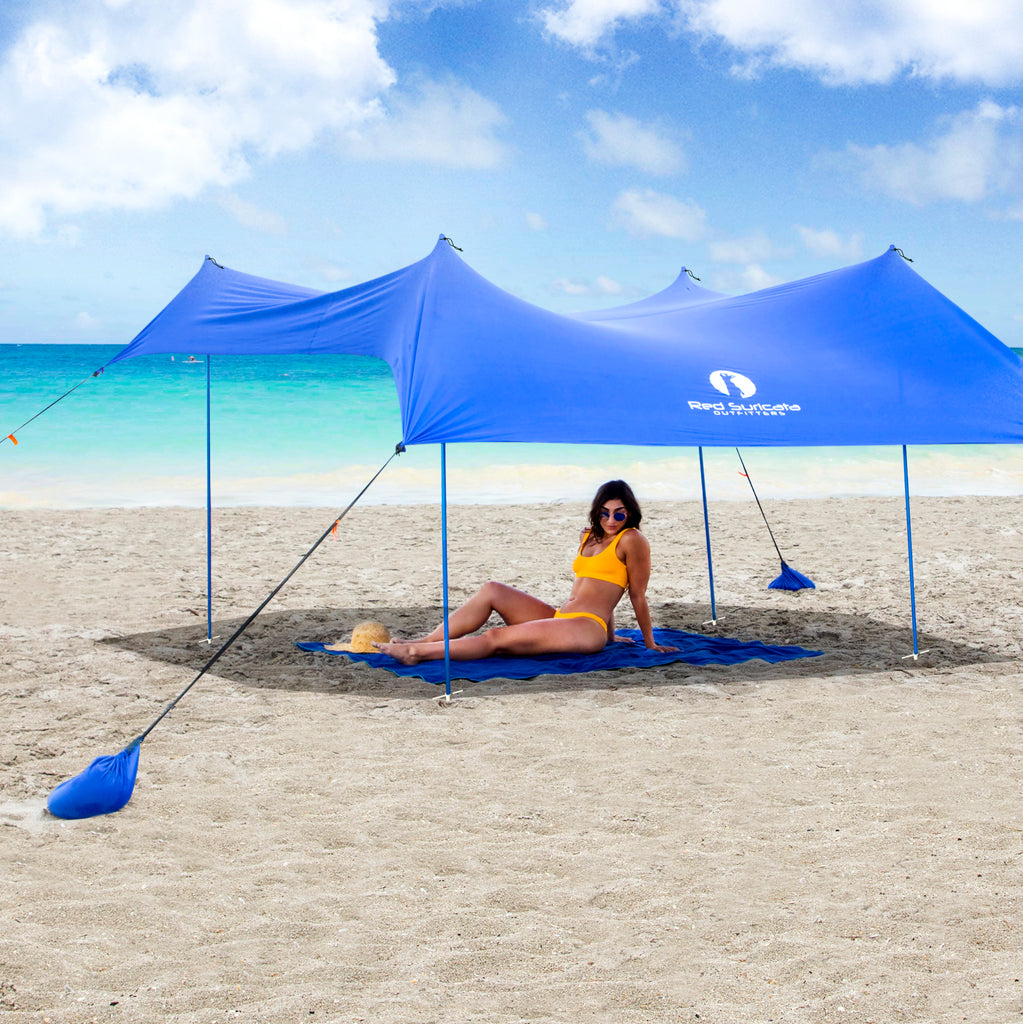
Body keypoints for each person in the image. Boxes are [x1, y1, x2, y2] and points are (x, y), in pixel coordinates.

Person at [374, 480, 677, 665]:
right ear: (597, 511)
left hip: (586, 627)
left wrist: (648, 643)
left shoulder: (633, 540)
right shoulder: (589, 536)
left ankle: (417, 653)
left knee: (497, 637)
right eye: (605, 512)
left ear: (630, 512)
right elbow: (597, 586)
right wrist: (613, 637)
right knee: (492, 589)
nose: (611, 519)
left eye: (619, 513)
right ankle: (428, 640)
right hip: (563, 617)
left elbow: (635, 595)